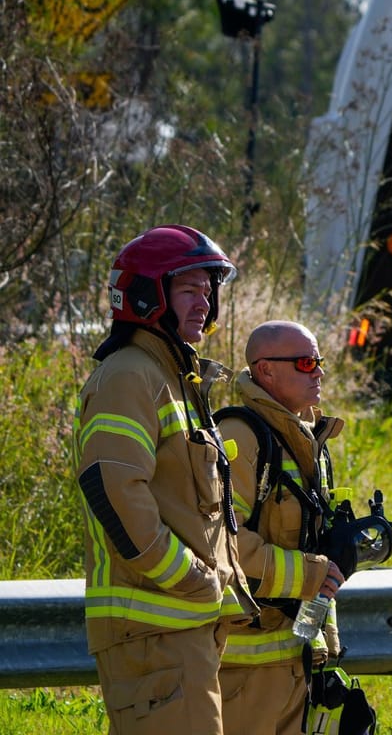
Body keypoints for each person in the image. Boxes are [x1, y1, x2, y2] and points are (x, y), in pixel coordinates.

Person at [75, 224, 258, 735]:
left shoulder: (173, 379)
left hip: (179, 631)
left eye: (208, 290)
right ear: (144, 296)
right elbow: (112, 491)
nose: (203, 302)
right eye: (188, 289)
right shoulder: (131, 375)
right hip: (156, 630)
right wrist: (191, 579)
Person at [216, 320, 346, 735]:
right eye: (307, 363)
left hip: (297, 657)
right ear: (266, 370)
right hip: (243, 668)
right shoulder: (239, 437)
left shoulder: (306, 440)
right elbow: (222, 544)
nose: (319, 373)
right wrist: (314, 573)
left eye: (319, 362)